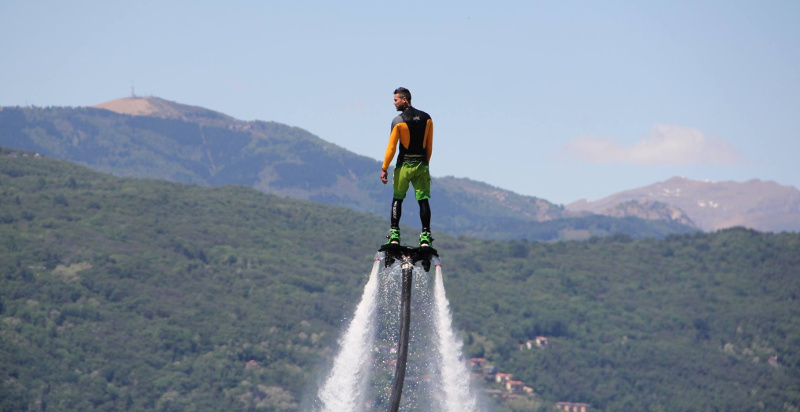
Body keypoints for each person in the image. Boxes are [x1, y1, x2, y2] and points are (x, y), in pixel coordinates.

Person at [380, 87, 434, 247]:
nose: (394, 103)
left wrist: (384, 168)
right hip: (421, 165)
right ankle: (425, 235)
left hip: (404, 165)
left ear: (405, 100)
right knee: (423, 200)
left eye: (396, 100)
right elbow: (429, 145)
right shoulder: (427, 119)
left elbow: (391, 148)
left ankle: (394, 234)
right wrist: (425, 164)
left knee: (398, 198)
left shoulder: (398, 121)